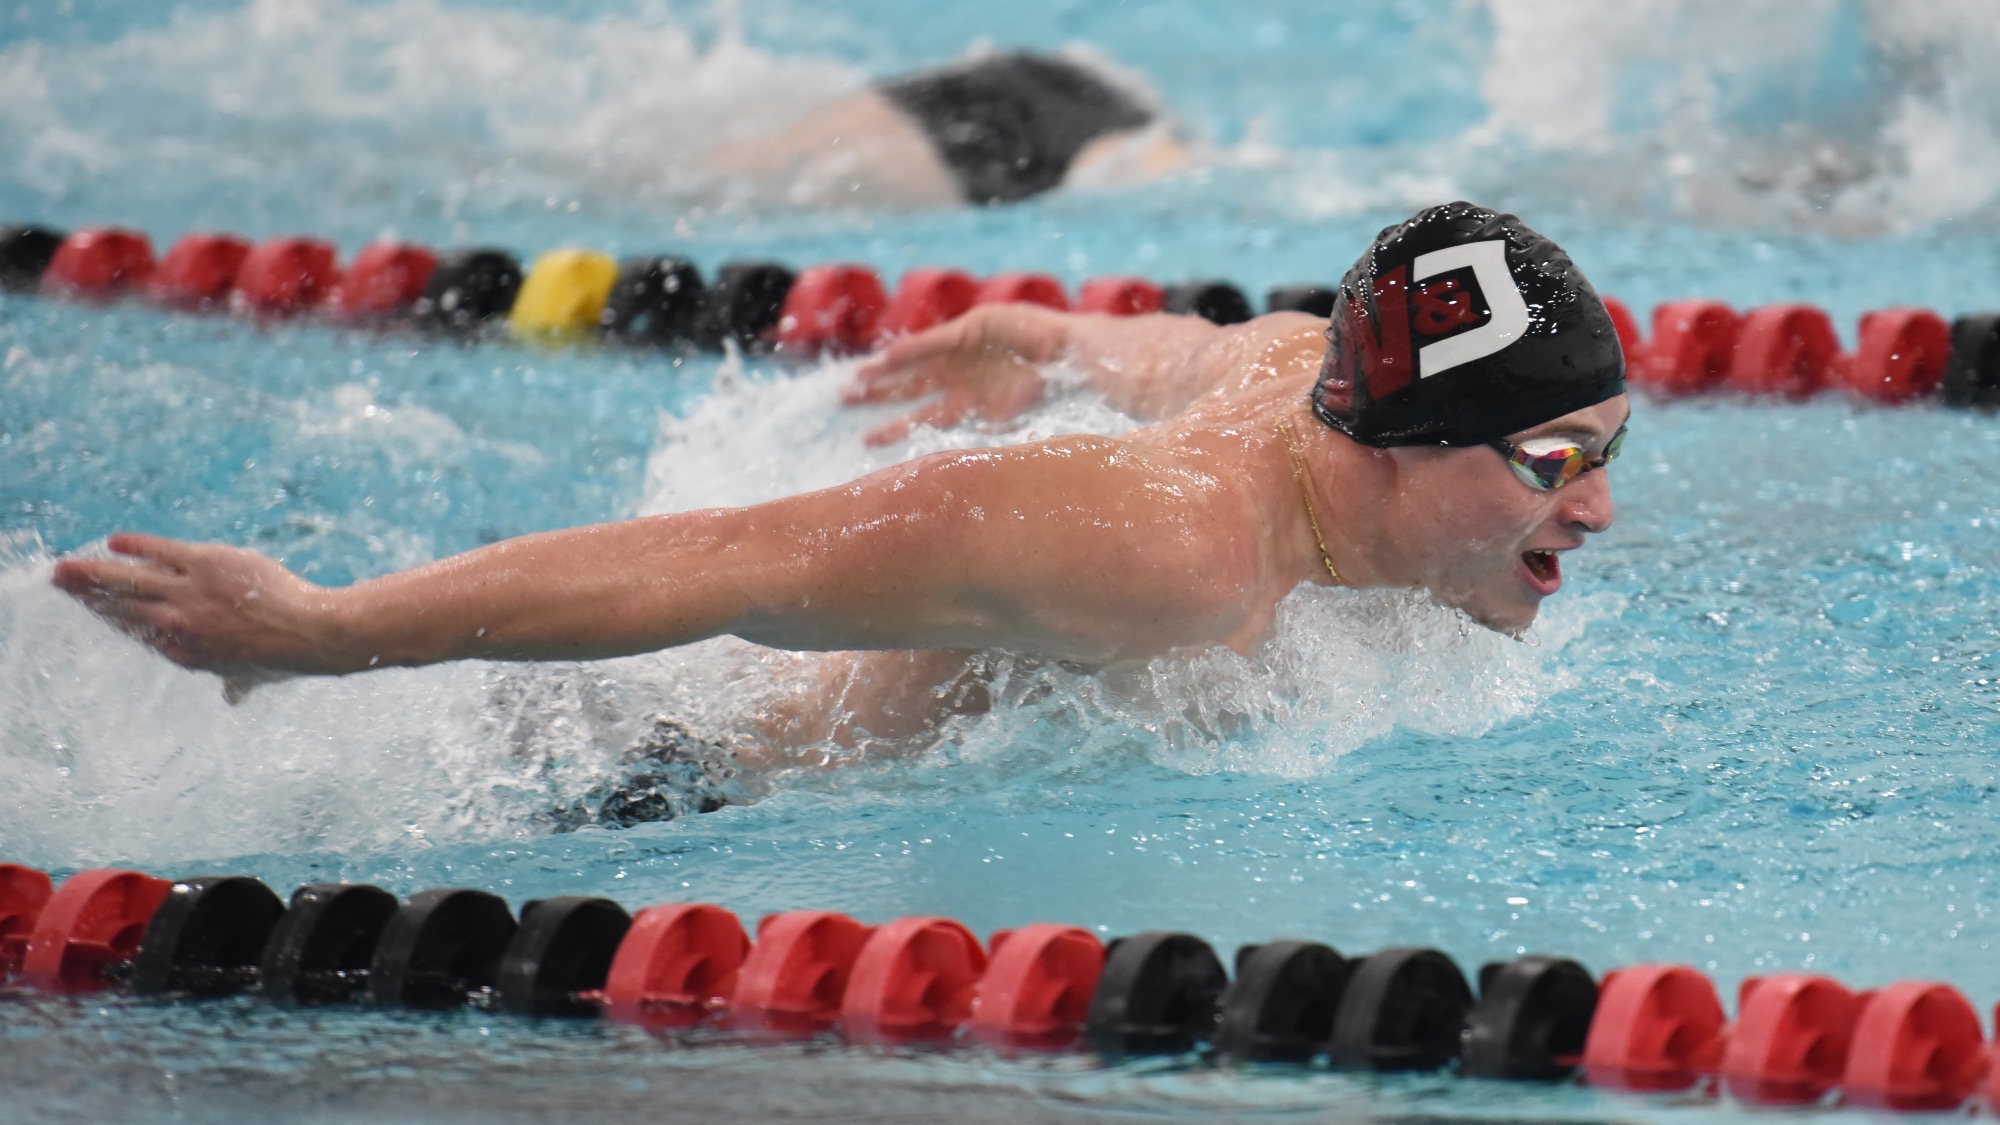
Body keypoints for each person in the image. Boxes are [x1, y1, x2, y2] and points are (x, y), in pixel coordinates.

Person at [51, 202, 1628, 755]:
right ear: (1404, 447)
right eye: (1554, 462)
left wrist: (1032, 328)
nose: (1601, 510)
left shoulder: (1311, 382)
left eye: (1611, 456)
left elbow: (1178, 351)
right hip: (653, 785)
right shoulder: (1165, 554)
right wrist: (325, 630)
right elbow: (725, 559)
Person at [704, 49, 1190, 208]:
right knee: (769, 180)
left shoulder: (1125, 115)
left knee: (752, 165)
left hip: (1032, 80)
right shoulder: (1146, 149)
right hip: (1037, 129)